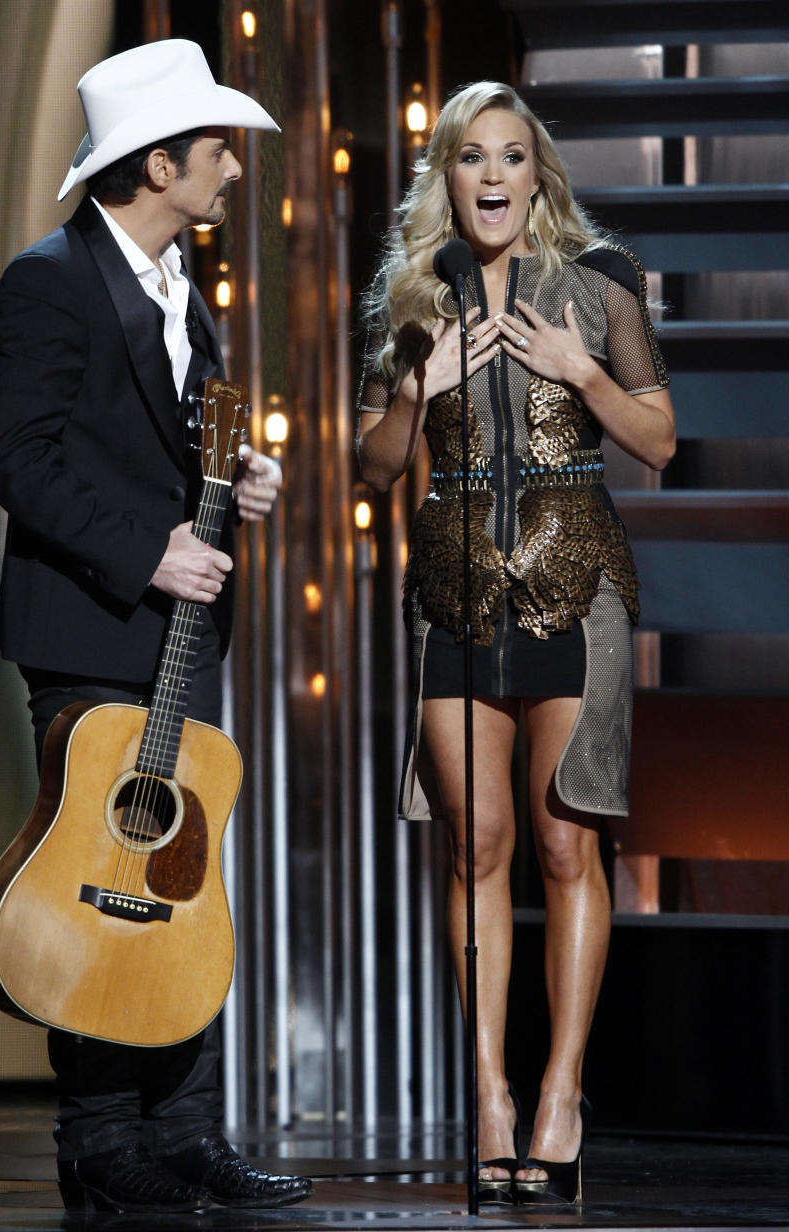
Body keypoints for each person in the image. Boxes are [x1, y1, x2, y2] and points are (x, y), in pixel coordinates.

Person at [0, 39, 312, 1216]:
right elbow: (13, 454)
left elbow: (170, 458)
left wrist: (238, 486)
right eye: (220, 149)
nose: (234, 168)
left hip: (177, 638)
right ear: (160, 161)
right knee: (96, 880)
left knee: (181, 875)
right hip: (91, 624)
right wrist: (147, 547)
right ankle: (101, 1135)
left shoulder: (182, 293)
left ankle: (183, 1131)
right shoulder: (51, 278)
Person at [357, 81, 674, 1205]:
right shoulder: (408, 298)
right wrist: (412, 391)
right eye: (469, 159)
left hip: (576, 581)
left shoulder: (600, 286)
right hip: (452, 589)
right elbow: (373, 470)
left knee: (560, 848)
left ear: (538, 173)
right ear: (445, 176)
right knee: (473, 846)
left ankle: (560, 1095)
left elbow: (660, 440)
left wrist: (581, 369)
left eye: (510, 157)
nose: (491, 178)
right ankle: (487, 1091)